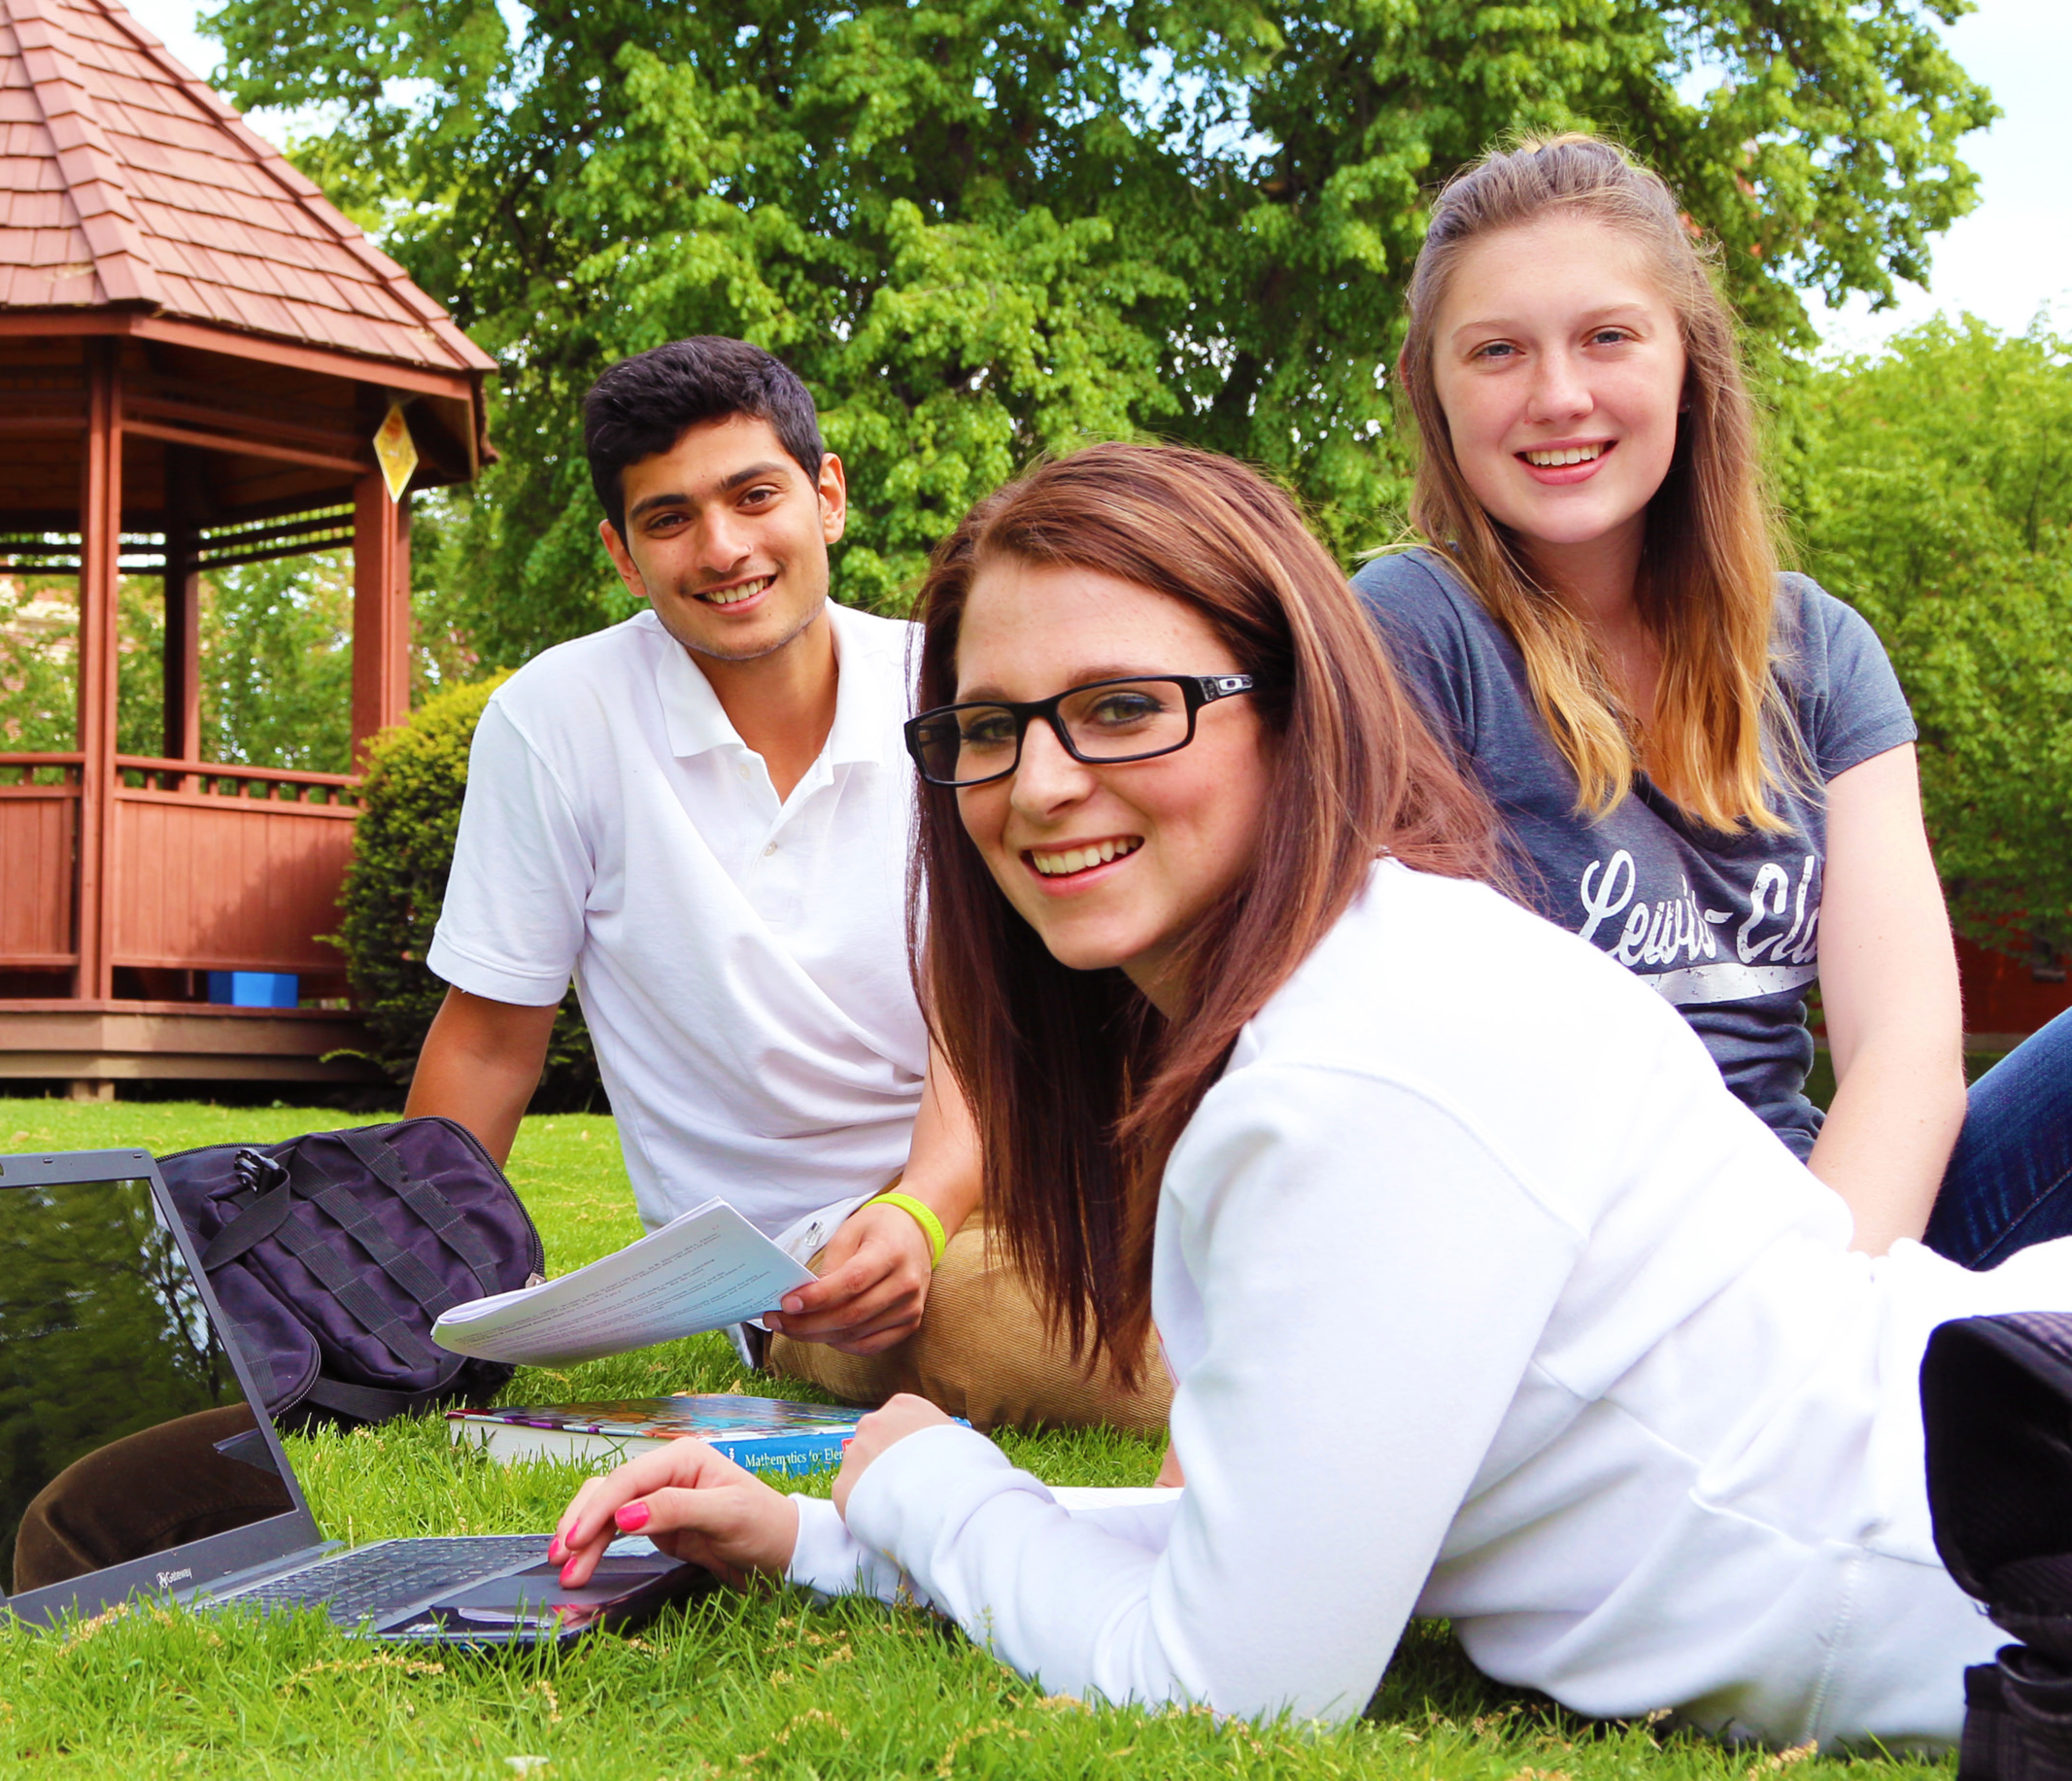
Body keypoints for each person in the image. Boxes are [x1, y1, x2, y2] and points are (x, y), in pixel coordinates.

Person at [544, 442, 2072, 1749]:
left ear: (1295, 707)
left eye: (1128, 706)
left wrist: (935, 1481)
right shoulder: (1354, 981)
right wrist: (822, 1529)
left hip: (1988, 1574)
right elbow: (1285, 1533)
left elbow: (1232, 1678)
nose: (1043, 781)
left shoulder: (1357, 1073)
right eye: (990, 727)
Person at [405, 336, 1164, 1431]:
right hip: (819, 1258)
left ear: (827, 498)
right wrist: (407, 1293)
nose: (722, 548)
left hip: (1041, 1159)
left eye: (753, 495)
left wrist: (927, 1199)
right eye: (668, 519)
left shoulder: (950, 687)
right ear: (623, 556)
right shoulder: (557, 719)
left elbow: (997, 1001)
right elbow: (485, 1039)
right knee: (1034, 1328)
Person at [1353, 133, 2072, 1265]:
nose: (1556, 395)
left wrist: (1817, 1314)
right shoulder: (1403, 632)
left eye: (1606, 337)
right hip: (1572, 1270)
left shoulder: (1818, 652)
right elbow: (1411, 1069)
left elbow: (1902, 1046)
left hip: (1828, 1234)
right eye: (1495, 351)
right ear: (1427, 389)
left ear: (1686, 359)